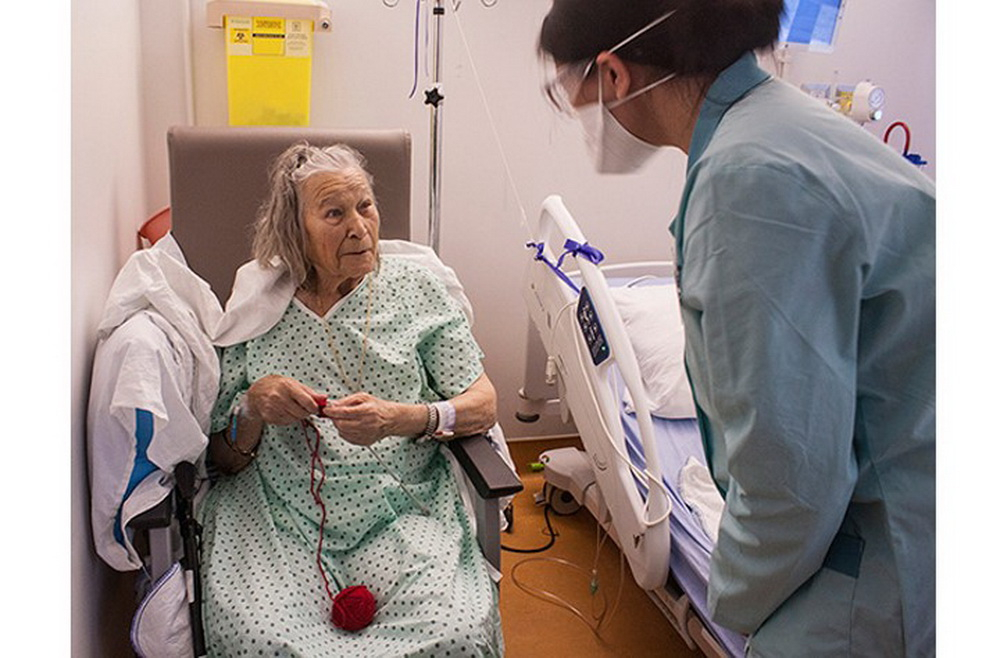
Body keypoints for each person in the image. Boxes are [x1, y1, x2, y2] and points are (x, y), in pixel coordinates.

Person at [539, 1, 935, 656]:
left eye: (575, 89)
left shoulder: (747, 179)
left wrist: (732, 606)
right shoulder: (786, 126)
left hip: (891, 551)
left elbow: (792, 478)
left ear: (613, 75)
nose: (586, 114)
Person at [199, 142, 504, 656]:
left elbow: (483, 404)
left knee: (455, 635)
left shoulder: (416, 289)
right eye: (335, 213)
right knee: (259, 641)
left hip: (403, 510)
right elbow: (223, 459)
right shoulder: (258, 309)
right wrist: (252, 405)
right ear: (296, 231)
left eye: (365, 206)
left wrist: (402, 418)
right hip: (280, 514)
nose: (359, 227)